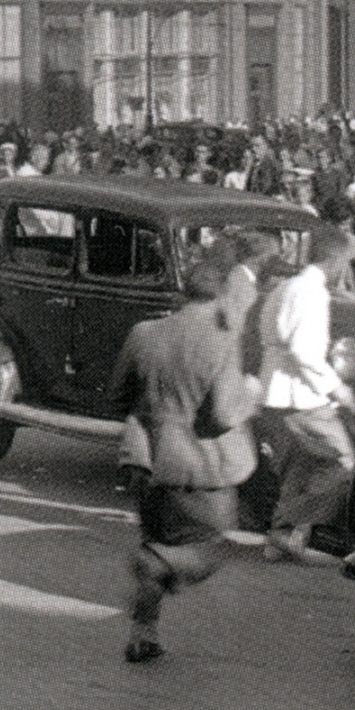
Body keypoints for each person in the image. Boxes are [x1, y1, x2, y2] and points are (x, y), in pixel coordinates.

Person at [113, 258, 260, 664]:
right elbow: (224, 415)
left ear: (184, 293)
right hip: (201, 466)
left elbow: (117, 397)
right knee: (212, 545)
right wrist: (251, 393)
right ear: (220, 297)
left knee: (158, 538)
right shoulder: (221, 341)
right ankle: (155, 564)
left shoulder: (143, 333)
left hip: (148, 459)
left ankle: (144, 631)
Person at [255, 229, 355, 563]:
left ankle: (283, 537)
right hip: (302, 396)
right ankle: (285, 530)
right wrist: (337, 388)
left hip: (276, 392)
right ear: (335, 261)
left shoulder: (285, 287)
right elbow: (304, 352)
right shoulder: (312, 293)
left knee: (298, 470)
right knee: (344, 466)